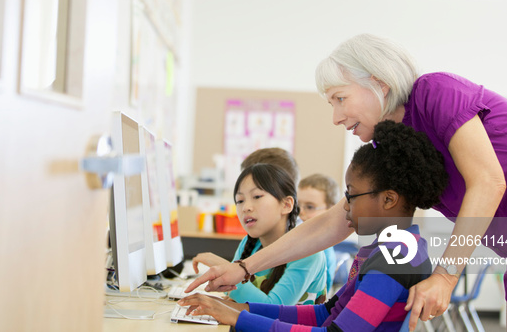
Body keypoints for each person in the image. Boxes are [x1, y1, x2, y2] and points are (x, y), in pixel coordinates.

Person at [186, 33, 507, 332]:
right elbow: (336, 220)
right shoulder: (390, 147)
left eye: (340, 99)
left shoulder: (437, 93)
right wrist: (245, 268)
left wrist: (445, 276)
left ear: (378, 84)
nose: (335, 116)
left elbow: (488, 181)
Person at [179, 121, 447, 331]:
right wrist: (241, 309)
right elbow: (326, 313)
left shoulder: (396, 260)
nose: (344, 206)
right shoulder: (390, 250)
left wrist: (239, 318)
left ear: (388, 199)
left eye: (351, 196)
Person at [193, 163, 327, 305]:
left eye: (257, 196)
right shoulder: (249, 243)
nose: (246, 208)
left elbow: (273, 310)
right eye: (240, 200)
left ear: (286, 205)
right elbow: (231, 293)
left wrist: (221, 266)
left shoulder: (307, 252)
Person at [298, 174, 339, 294]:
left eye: (310, 207)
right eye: (298, 205)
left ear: (331, 209)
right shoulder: (303, 238)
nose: (301, 212)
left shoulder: (321, 249)